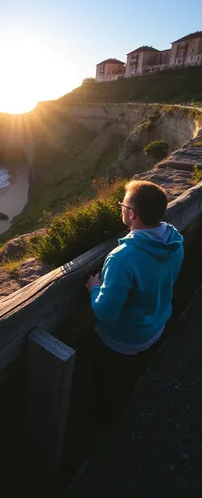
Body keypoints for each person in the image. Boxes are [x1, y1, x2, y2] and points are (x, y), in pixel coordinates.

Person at [86, 179, 184, 420]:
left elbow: (106, 312)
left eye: (123, 204)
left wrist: (94, 288)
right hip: (157, 325)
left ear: (132, 214)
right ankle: (126, 398)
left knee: (112, 382)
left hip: (124, 340)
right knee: (134, 374)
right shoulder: (174, 240)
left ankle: (107, 415)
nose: (121, 208)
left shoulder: (123, 258)